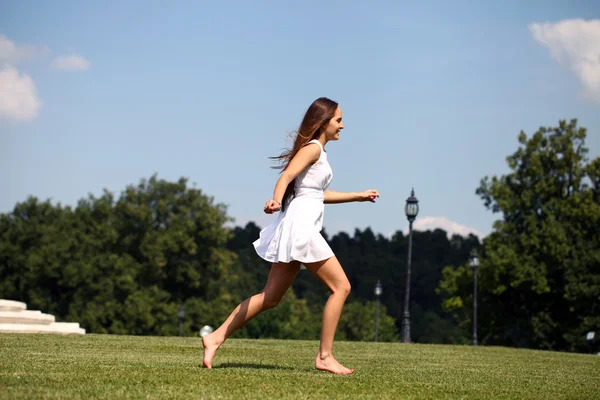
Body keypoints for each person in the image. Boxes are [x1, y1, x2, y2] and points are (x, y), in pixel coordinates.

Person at [202, 97, 379, 375]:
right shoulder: (312, 149)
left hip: (297, 226)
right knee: (341, 287)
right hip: (301, 228)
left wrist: (357, 196)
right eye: (338, 120)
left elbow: (316, 195)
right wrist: (274, 201)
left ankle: (215, 337)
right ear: (323, 123)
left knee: (270, 298)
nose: (342, 126)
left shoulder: (319, 152)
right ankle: (324, 356)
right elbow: (285, 179)